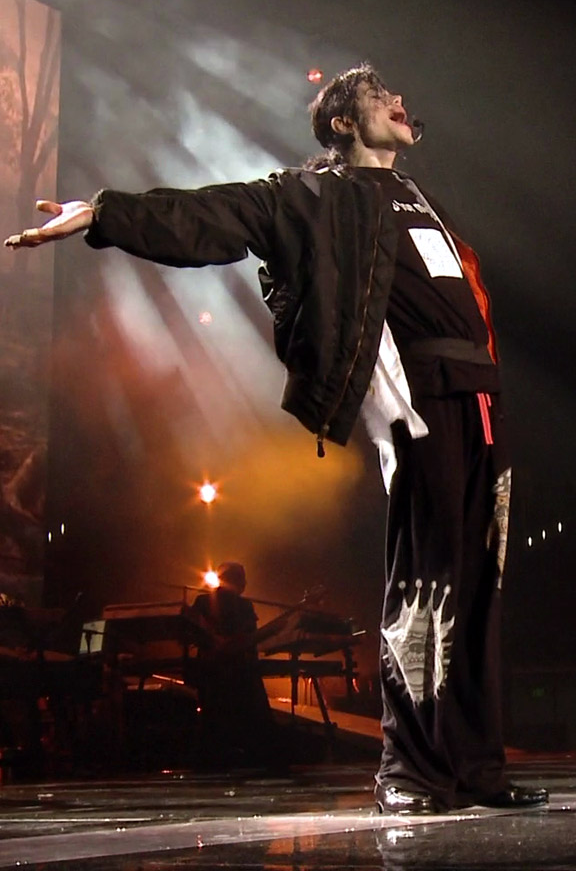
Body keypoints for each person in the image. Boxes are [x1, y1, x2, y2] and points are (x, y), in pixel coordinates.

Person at [4, 63, 547, 812]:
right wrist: (102, 214)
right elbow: (212, 215)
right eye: (379, 96)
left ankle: (476, 769)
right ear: (344, 123)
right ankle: (412, 773)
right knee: (425, 582)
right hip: (418, 397)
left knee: (477, 588)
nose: (399, 100)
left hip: (481, 397)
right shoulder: (312, 195)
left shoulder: (421, 198)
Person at [189, 561, 278, 768]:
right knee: (254, 718)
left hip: (211, 672)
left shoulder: (202, 601)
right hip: (237, 673)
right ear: (239, 582)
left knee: (212, 721)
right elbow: (250, 640)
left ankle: (210, 762)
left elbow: (191, 633)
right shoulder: (243, 605)